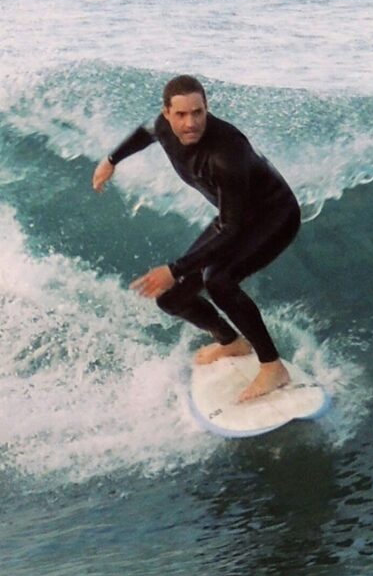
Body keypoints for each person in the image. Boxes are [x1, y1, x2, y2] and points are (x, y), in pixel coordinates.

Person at [92, 75, 300, 402]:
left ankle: (272, 366)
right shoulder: (161, 127)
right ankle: (231, 342)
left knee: (218, 280)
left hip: (274, 217)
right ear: (167, 114)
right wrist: (111, 160)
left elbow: (231, 230)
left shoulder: (226, 154)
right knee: (171, 298)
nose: (191, 123)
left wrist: (174, 268)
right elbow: (145, 132)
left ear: (206, 108)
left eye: (198, 113)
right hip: (233, 216)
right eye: (181, 115)